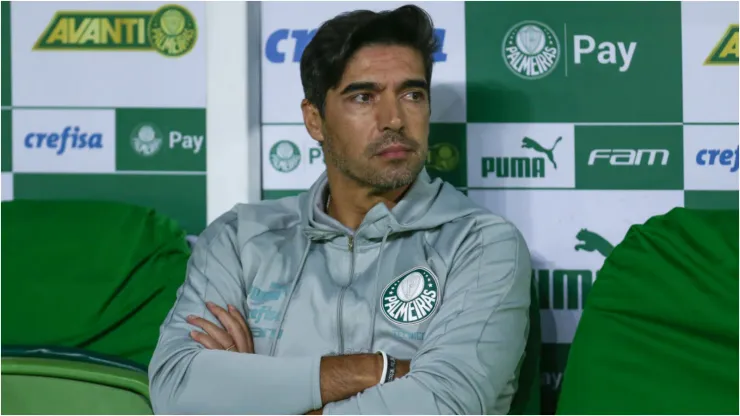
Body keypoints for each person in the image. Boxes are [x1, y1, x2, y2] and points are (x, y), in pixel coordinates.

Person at [148, 5, 533, 415]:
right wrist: (377, 369)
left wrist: (252, 392)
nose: (394, 120)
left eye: (412, 94)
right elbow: (177, 393)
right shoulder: (239, 239)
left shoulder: (481, 243)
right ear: (315, 120)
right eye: (364, 97)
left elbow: (441, 405)